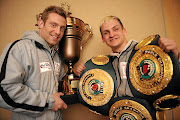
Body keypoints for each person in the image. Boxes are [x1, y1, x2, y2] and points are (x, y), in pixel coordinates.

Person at [74, 15, 180, 98]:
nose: (111, 35)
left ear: (124, 31)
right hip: (120, 112)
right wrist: (83, 73)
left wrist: (175, 54)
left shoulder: (146, 51)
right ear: (103, 39)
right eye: (106, 33)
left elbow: (169, 77)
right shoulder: (106, 64)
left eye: (115, 29)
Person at [0, 6, 68, 120]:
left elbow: (60, 83)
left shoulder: (56, 56)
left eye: (62, 28)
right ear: (41, 23)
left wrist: (74, 73)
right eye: (53, 25)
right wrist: (49, 101)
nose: (58, 32)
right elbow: (5, 91)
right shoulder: (20, 48)